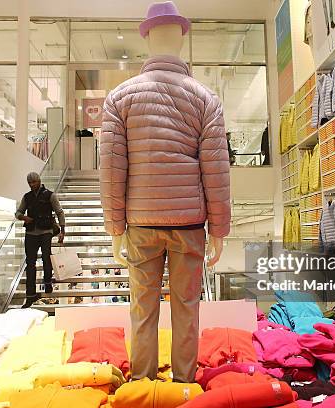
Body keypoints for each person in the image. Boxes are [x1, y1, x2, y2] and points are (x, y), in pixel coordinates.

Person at [99, 1, 231, 384]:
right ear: (180, 39)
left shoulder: (119, 98)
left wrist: (115, 227)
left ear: (149, 38)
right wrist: (218, 230)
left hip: (140, 224)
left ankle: (142, 382)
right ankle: (184, 384)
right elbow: (216, 172)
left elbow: (111, 170)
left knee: (142, 308)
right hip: (190, 224)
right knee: (187, 308)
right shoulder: (205, 99)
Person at [15, 172, 65, 308]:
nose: (32, 185)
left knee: (46, 257)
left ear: (39, 181)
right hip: (31, 232)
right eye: (30, 183)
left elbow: (59, 212)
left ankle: (48, 282)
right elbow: (18, 212)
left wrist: (62, 230)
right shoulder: (27, 197)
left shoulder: (50, 195)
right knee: (30, 263)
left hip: (46, 231)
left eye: (34, 182)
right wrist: (24, 218)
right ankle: (30, 295)